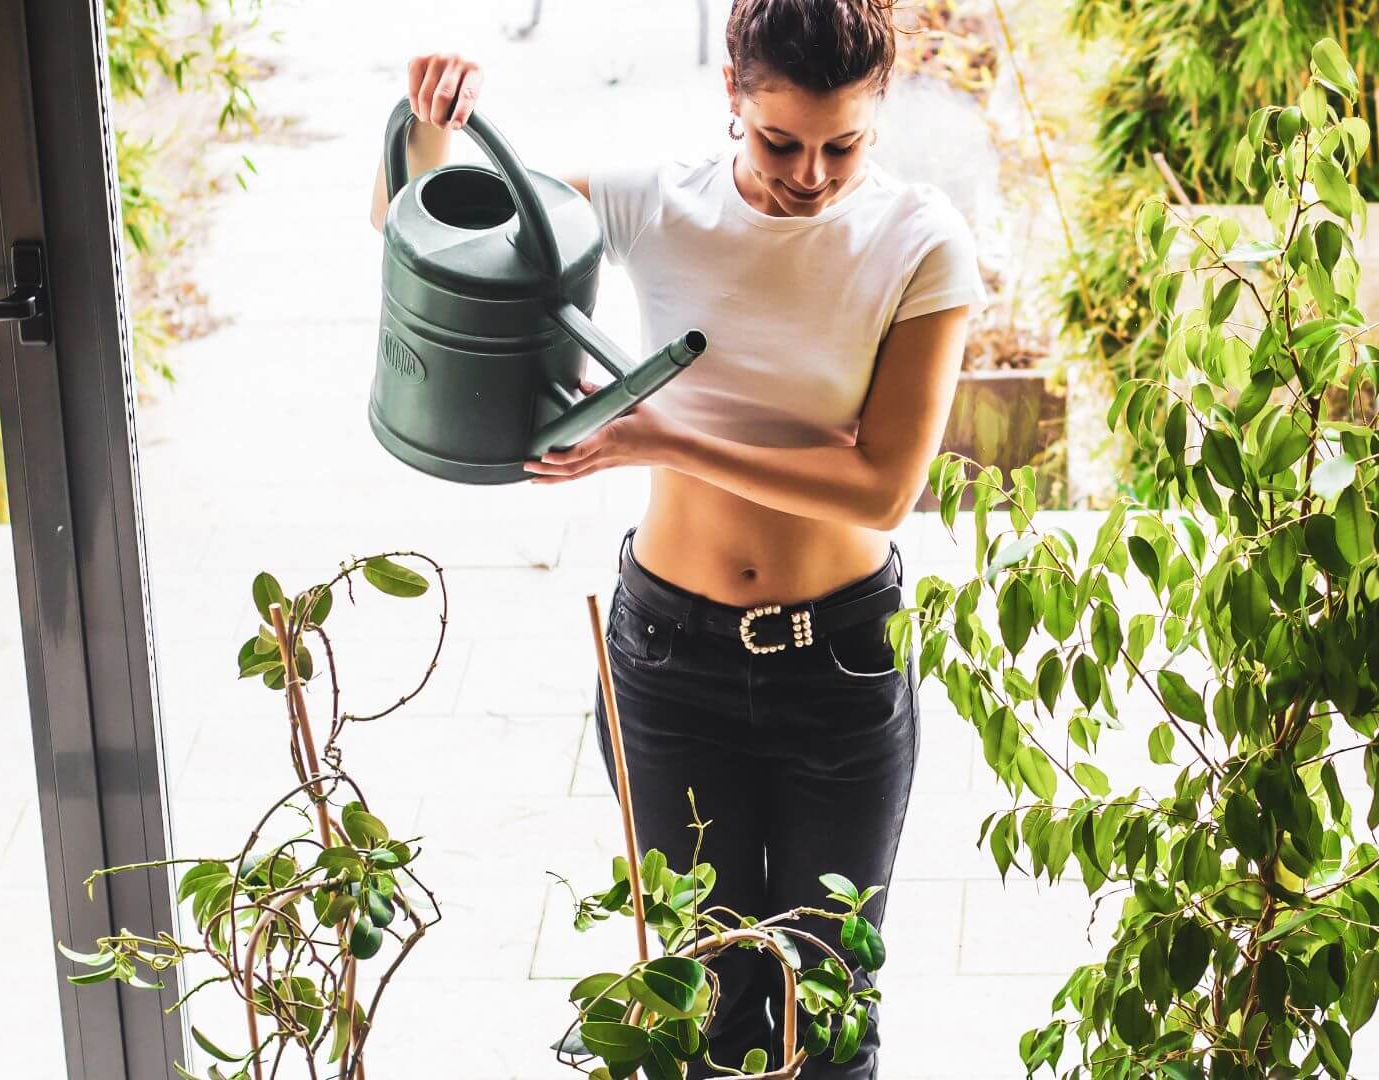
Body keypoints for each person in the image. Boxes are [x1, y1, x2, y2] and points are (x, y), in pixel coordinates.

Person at [368, 2, 985, 1075]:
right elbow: (425, 226)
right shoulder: (659, 204)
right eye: (779, 140)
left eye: (843, 143)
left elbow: (882, 487)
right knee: (697, 994)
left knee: (825, 1004)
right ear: (732, 100)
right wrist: (430, 123)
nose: (812, 173)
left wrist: (663, 435)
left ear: (878, 112)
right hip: (667, 660)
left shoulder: (919, 241)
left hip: (840, 664)